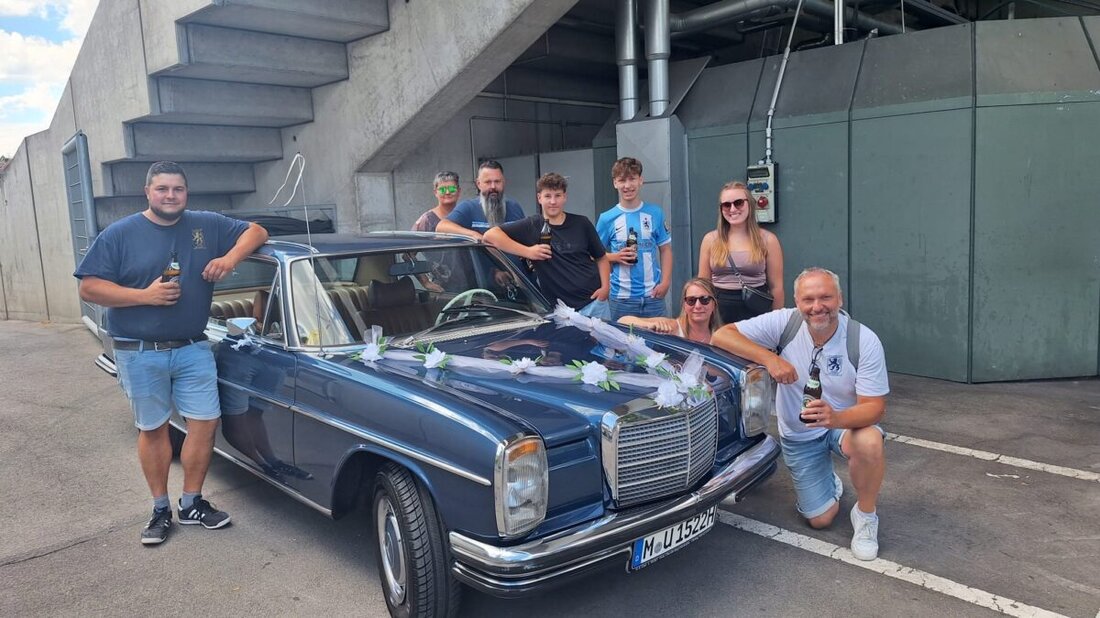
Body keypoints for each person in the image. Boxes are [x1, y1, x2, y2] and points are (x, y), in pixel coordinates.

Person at [74, 161, 269, 546]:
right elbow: (89, 288)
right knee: (154, 428)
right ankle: (160, 508)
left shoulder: (205, 224)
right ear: (148, 192)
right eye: (162, 189)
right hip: (140, 350)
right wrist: (143, 296)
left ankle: (192, 502)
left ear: (186, 193)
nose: (170, 196)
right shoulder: (119, 234)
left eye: (177, 189)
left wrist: (230, 259)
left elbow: (257, 231)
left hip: (193, 346)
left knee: (205, 422)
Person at [711, 267, 888, 560]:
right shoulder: (785, 322)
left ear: (840, 299)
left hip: (843, 426)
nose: (817, 307)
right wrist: (770, 358)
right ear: (797, 301)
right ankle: (829, 483)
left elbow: (874, 407)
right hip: (800, 434)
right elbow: (722, 336)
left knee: (870, 442)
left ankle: (866, 515)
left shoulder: (863, 339)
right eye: (808, 299)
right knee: (821, 520)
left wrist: (836, 418)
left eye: (825, 297)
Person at [484, 172, 609, 315]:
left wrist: (605, 288)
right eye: (548, 196)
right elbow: (490, 236)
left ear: (565, 197)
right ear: (539, 198)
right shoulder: (532, 225)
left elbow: (601, 257)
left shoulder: (582, 223)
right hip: (560, 312)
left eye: (557, 195)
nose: (553, 201)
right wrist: (528, 251)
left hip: (594, 304)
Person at [595, 157, 673, 321]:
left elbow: (665, 250)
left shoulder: (655, 213)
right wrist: (615, 257)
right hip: (621, 299)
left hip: (653, 297)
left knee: (657, 346)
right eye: (622, 180)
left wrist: (665, 283)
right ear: (615, 183)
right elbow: (594, 254)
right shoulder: (606, 218)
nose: (627, 185)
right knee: (623, 346)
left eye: (632, 179)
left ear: (641, 181)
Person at [697, 181, 784, 324]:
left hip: (756, 313)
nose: (732, 209)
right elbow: (703, 286)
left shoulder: (768, 240)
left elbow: (777, 288)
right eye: (726, 205)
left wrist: (777, 324)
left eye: (738, 203)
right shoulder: (710, 239)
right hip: (719, 313)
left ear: (749, 204)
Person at [435, 160, 524, 240]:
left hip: (508, 259)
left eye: (497, 181)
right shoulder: (469, 207)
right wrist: (474, 235)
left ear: (504, 182)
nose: (493, 187)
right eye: (488, 182)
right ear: (478, 184)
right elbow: (441, 227)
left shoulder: (514, 207)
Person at [617, 278, 723, 345]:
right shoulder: (673, 327)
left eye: (704, 300)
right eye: (691, 301)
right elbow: (622, 321)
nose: (698, 306)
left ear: (714, 304)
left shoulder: (722, 335)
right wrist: (649, 325)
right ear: (684, 305)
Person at [411, 171, 462, 292]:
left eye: (452, 188)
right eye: (443, 189)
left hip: (473, 284)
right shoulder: (427, 220)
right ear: (435, 192)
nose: (448, 192)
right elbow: (407, 254)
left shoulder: (464, 215)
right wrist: (426, 282)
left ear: (459, 191)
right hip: (443, 290)